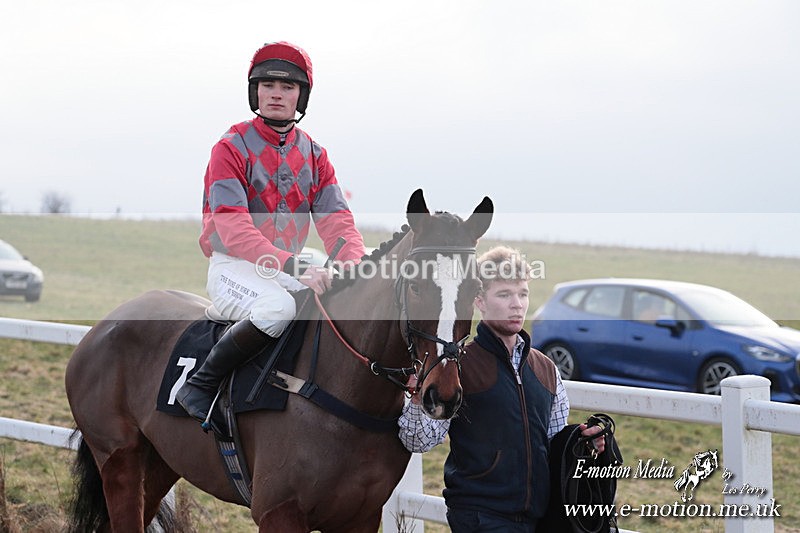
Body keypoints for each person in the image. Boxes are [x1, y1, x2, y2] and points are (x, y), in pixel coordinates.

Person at [177, 41, 366, 427]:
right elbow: (232, 227)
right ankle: (201, 384)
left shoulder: (315, 155)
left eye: (287, 87)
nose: (276, 94)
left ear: (301, 95)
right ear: (255, 92)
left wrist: (356, 267)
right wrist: (294, 266)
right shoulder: (229, 148)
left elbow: (337, 222)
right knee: (278, 309)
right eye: (267, 85)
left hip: (282, 268)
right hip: (234, 266)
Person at [398, 246, 604, 532]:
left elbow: (552, 442)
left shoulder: (546, 370)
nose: (517, 304)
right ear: (479, 301)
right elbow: (419, 441)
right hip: (480, 515)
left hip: (538, 517)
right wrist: (419, 402)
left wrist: (582, 441)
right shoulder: (458, 367)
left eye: (522, 294)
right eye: (504, 295)